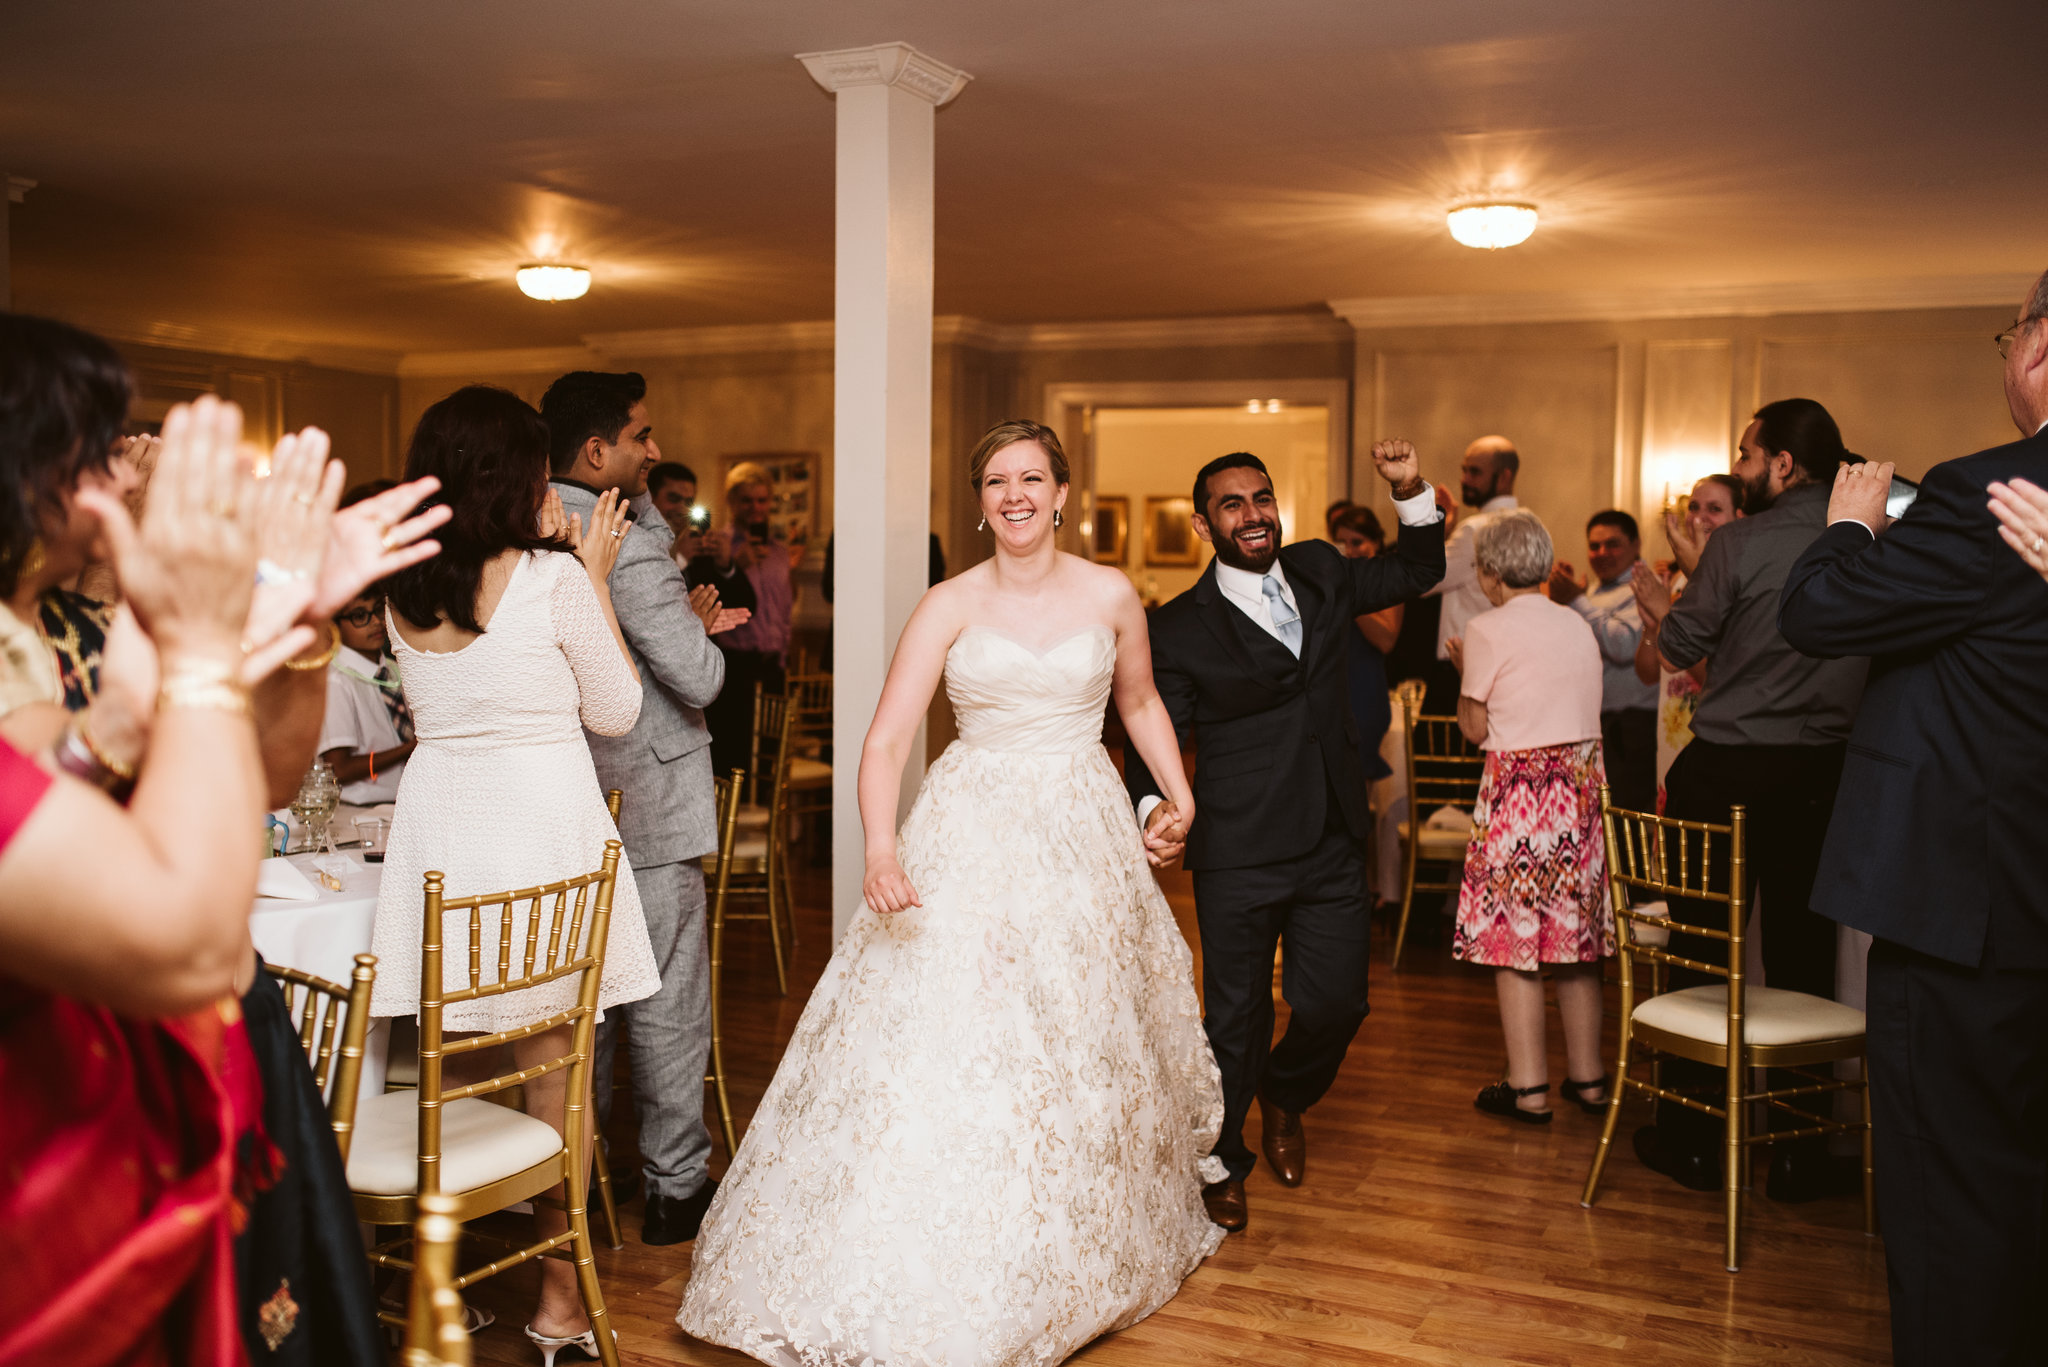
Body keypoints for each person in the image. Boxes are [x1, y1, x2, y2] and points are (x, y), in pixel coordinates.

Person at [678, 419, 1224, 1367]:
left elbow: (1136, 701)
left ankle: (1068, 1232)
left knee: (1075, 1029)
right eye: (996, 481)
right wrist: (882, 850)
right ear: (980, 504)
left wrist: (1179, 792)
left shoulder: (1110, 591)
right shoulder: (947, 603)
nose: (1015, 494)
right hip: (969, 824)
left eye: (1032, 478)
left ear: (1061, 492)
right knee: (958, 1030)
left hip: (1080, 827)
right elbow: (887, 739)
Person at [1776, 270, 2048, 1367]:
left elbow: (1816, 610)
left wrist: (1846, 527)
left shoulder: (1991, 489)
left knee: (1952, 1196)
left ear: (2035, 346)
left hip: (1970, 911)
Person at [376, 384, 662, 1355]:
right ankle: (556, 1300)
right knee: (555, 1081)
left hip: (443, 836)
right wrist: (594, 578)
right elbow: (618, 710)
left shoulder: (402, 585)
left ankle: (434, 1293)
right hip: (539, 838)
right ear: (519, 474)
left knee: (446, 1072)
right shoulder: (550, 578)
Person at [1125, 440, 1447, 1230]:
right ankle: (1225, 1159)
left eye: (1261, 497)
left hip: (1334, 832)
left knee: (1339, 1003)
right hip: (1237, 842)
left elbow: (1415, 570)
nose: (1252, 514)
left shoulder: (1321, 569)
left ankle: (1288, 1090)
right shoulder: (1175, 628)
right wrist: (1151, 808)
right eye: (1232, 504)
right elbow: (1145, 732)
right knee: (1234, 1015)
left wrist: (1409, 490)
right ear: (1205, 526)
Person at [1630, 398, 1868, 1200]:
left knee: (1704, 948)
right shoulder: (1871, 543)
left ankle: (1696, 1139)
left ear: (1783, 465)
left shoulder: (1737, 543)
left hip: (1727, 770)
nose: (1739, 466)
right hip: (1823, 773)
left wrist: (1688, 584)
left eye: (1746, 454)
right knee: (1805, 956)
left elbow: (1680, 647)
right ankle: (1802, 1152)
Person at [542, 369, 737, 1249]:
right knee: (664, 996)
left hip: (563, 799)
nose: (654, 451)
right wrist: (692, 633)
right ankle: (674, 1188)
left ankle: (577, 1184)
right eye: (641, 437)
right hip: (648, 800)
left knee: (590, 1000)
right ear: (597, 451)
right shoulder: (628, 539)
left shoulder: (523, 525)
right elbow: (698, 676)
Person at [1443, 510, 1611, 1122]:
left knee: (1516, 939)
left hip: (1521, 792)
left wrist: (1466, 673)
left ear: (1489, 573)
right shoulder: (1578, 623)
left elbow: (1475, 727)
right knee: (1572, 940)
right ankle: (1589, 1081)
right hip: (1582, 791)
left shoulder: (1487, 627)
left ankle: (1529, 1089)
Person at [1633, 475, 1743, 810]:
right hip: (1671, 732)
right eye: (1693, 507)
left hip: (1711, 735)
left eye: (1714, 509)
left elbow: (1721, 676)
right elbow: (1650, 673)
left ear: (1740, 517)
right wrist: (1652, 629)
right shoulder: (1679, 580)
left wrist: (1666, 614)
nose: (1698, 518)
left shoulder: (1737, 580)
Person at [690, 462, 798, 775]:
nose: (755, 507)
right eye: (747, 500)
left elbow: (784, 609)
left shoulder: (779, 552)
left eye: (762, 500)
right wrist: (736, 565)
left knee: (770, 759)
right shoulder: (717, 546)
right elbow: (708, 597)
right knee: (732, 757)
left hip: (774, 665)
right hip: (734, 665)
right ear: (732, 502)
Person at [1549, 510, 1658, 816]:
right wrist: (1568, 603)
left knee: (1623, 822)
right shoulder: (1594, 592)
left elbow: (1623, 646)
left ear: (1636, 544)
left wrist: (1576, 601)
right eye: (1594, 547)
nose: (1602, 554)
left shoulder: (1644, 587)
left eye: (1613, 544)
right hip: (1596, 725)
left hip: (1631, 728)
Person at [1422, 435, 1519, 714]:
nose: (1464, 479)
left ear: (1504, 476)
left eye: (1474, 472)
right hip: (1507, 662)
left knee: (1440, 754)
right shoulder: (1527, 523)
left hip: (1461, 664)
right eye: (1464, 470)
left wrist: (1436, 531)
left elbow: (1422, 581)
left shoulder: (1474, 530)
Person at [317, 585, 413, 806]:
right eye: (360, 616)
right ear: (334, 626)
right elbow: (339, 770)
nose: (376, 621)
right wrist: (412, 748)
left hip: (405, 804)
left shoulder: (394, 669)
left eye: (379, 610)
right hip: (360, 811)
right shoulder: (336, 681)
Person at [1329, 504, 1399, 785]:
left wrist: (1349, 595)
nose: (1349, 550)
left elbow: (1386, 639)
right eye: (1341, 543)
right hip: (1332, 691)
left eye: (1356, 542)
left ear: (1376, 542)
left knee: (1357, 786)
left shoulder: (1387, 581)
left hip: (1364, 692)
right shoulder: (1330, 580)